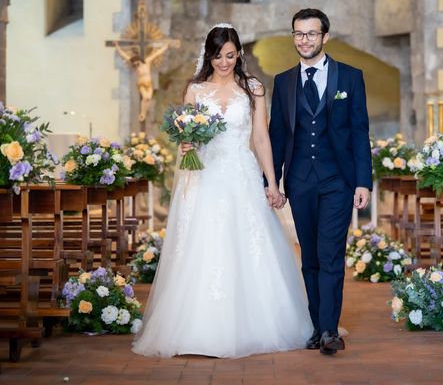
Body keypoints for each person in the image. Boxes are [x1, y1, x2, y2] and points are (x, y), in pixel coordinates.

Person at [132, 24, 313, 358]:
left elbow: (261, 138)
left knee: (251, 242)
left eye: (230, 55)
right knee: (208, 244)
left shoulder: (254, 88)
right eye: (217, 56)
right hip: (208, 176)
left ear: (239, 53)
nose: (224, 62)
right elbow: (189, 142)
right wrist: (186, 143)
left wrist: (273, 184)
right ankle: (198, 329)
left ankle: (259, 324)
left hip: (243, 174)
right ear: (208, 55)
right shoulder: (195, 90)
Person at [268, 8, 372, 355]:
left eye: (311, 34)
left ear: (325, 37)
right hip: (299, 181)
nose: (304, 40)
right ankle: (315, 327)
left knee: (330, 255)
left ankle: (329, 329)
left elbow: (359, 132)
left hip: (337, 181)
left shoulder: (350, 77)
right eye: (299, 34)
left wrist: (363, 182)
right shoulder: (283, 81)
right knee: (309, 258)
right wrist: (272, 182)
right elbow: (278, 135)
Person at [113, 41, 171, 122]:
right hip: (141, 84)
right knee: (145, 98)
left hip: (149, 84)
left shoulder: (147, 61)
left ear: (139, 60)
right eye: (135, 64)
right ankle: (142, 113)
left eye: (137, 63)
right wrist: (117, 47)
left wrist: (165, 47)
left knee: (149, 99)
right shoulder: (136, 65)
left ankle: (144, 113)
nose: (136, 65)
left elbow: (157, 54)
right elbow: (124, 55)